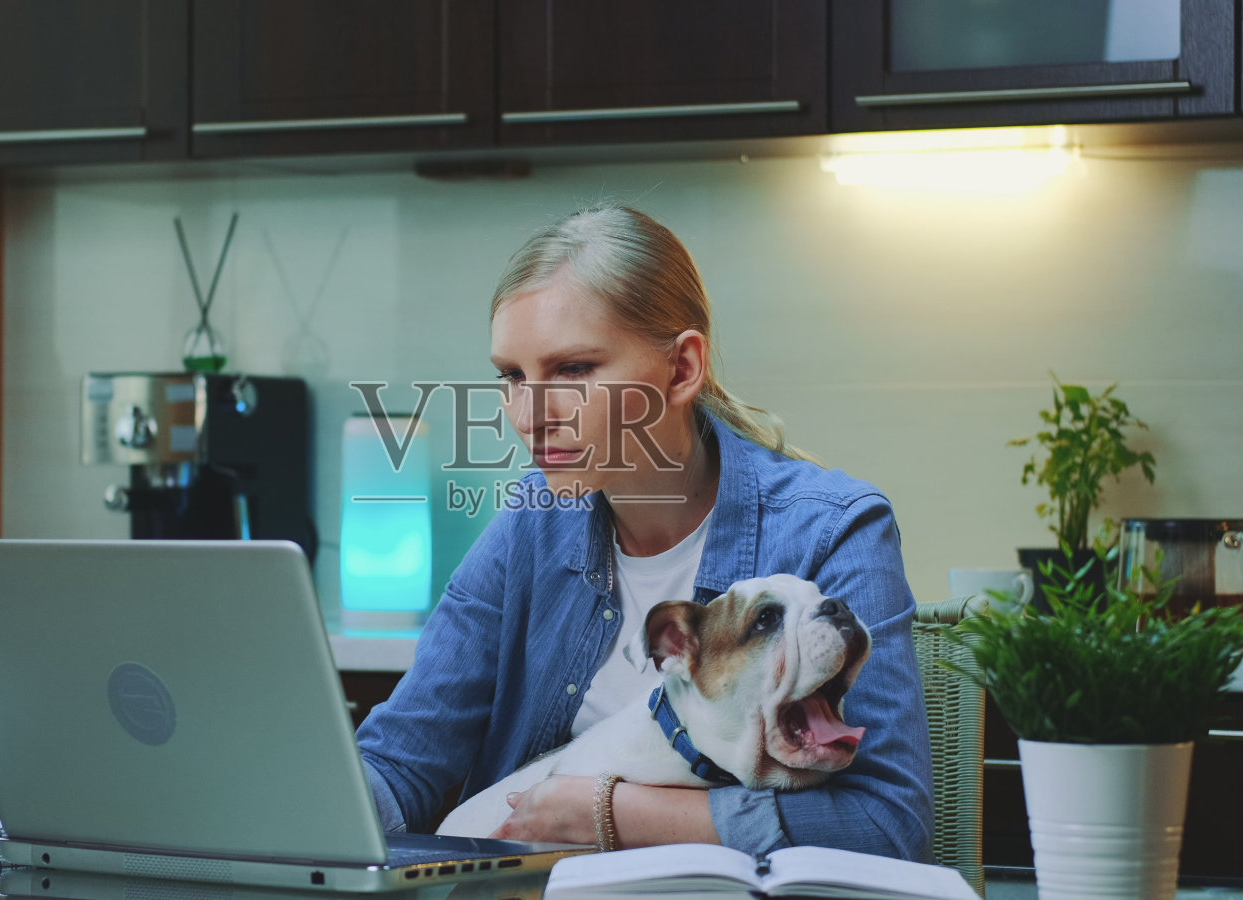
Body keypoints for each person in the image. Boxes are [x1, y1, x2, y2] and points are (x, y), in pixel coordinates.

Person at [355, 205, 931, 859]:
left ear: (681, 369)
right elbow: (403, 764)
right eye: (513, 377)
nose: (528, 415)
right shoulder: (531, 523)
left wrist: (609, 811)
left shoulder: (834, 530)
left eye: (573, 370)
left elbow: (886, 828)